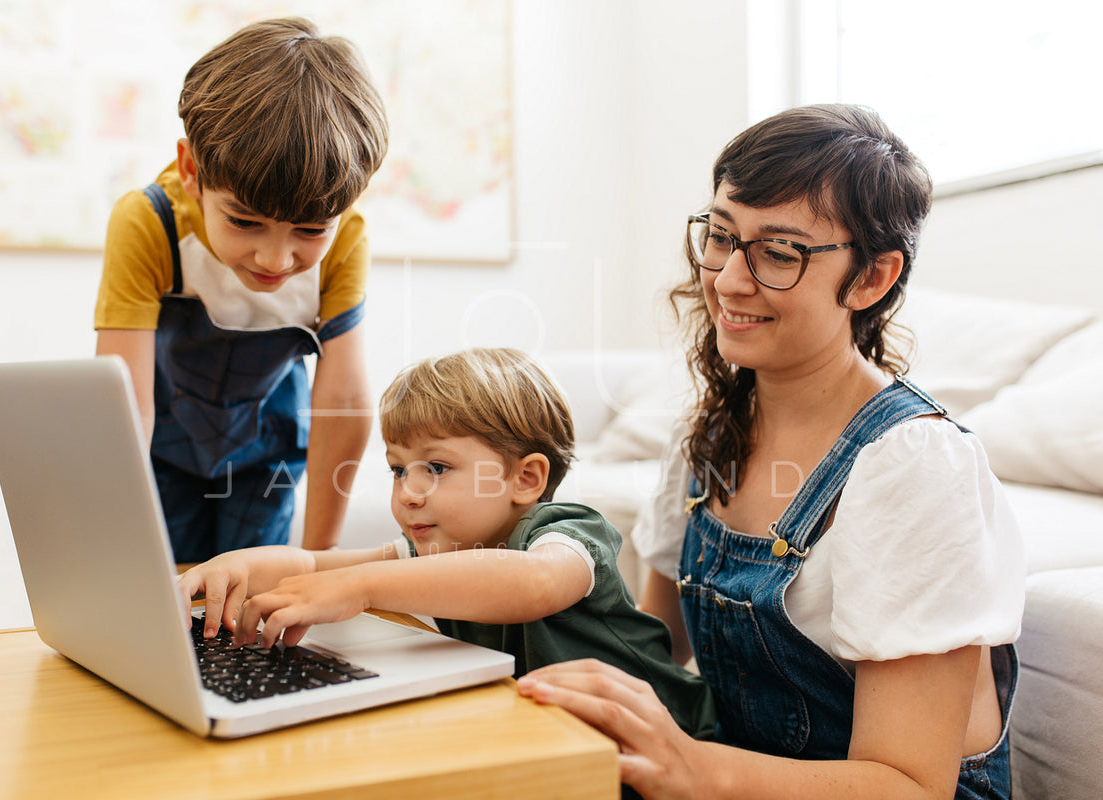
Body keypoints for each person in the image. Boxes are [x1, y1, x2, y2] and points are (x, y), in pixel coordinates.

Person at [516, 104, 1025, 800]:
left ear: (872, 279)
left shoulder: (915, 468)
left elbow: (911, 786)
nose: (727, 280)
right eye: (721, 237)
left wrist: (694, 769)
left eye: (779, 253)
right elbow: (653, 662)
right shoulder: (710, 433)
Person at [179, 347, 716, 742]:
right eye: (397, 470)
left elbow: (534, 584)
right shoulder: (440, 549)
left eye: (436, 468)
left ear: (526, 479)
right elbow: (314, 561)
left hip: (675, 736)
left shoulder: (567, 532)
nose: (408, 493)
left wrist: (362, 586)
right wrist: (237, 565)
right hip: (560, 738)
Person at [93, 17, 389, 559]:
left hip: (268, 451)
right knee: (168, 585)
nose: (275, 259)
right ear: (191, 171)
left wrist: (318, 563)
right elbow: (125, 402)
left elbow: (343, 400)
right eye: (244, 222)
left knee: (251, 599)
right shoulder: (148, 222)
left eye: (309, 229)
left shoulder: (347, 240)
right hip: (161, 447)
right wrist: (129, 553)